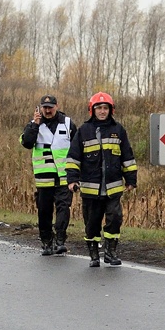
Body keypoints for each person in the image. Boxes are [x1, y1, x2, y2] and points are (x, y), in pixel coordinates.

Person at [65, 92, 137, 267]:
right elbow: (73, 158)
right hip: (90, 189)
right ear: (92, 110)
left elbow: (127, 157)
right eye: (99, 108)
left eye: (106, 108)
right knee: (92, 223)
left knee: (115, 219)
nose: (102, 111)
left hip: (113, 188)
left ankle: (111, 253)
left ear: (111, 110)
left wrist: (131, 180)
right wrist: (72, 180)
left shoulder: (118, 130)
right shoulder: (84, 131)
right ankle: (94, 256)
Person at [20, 94, 77, 256]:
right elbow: (27, 143)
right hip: (44, 177)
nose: (47, 110)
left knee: (63, 207)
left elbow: (77, 147)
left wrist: (77, 172)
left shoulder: (67, 124)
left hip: (64, 175)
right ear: (40, 109)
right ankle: (46, 242)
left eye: (50, 107)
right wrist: (35, 125)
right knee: (44, 210)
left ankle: (60, 240)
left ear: (56, 107)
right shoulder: (33, 125)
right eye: (44, 108)